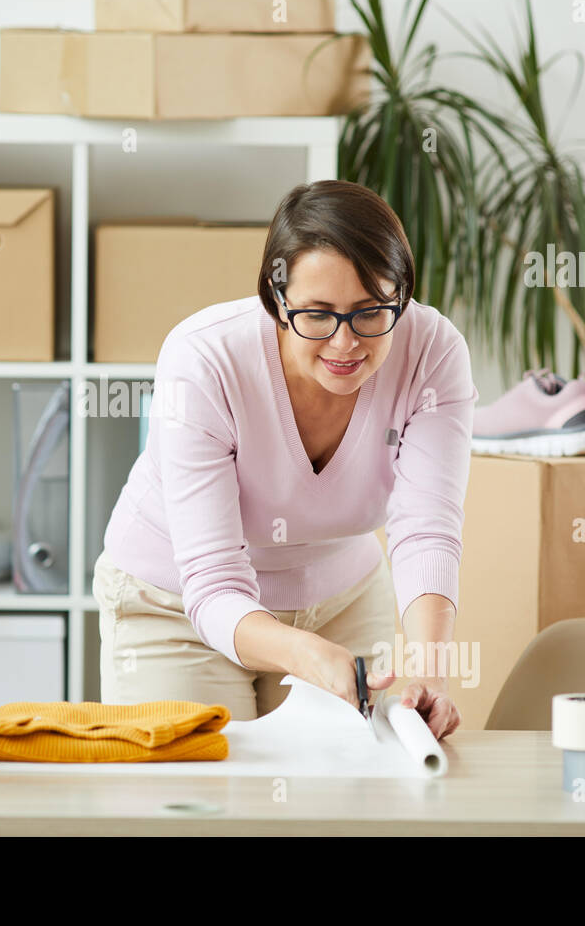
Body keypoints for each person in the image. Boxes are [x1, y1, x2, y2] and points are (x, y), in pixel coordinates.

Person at [93, 180, 477, 740]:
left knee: (347, 801)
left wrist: (428, 672)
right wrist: (301, 653)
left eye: (371, 312)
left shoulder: (433, 353)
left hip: (338, 597)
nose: (345, 343)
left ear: (403, 294)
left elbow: (426, 532)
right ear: (276, 298)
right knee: (205, 803)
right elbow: (213, 579)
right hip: (174, 603)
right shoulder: (204, 359)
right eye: (317, 314)